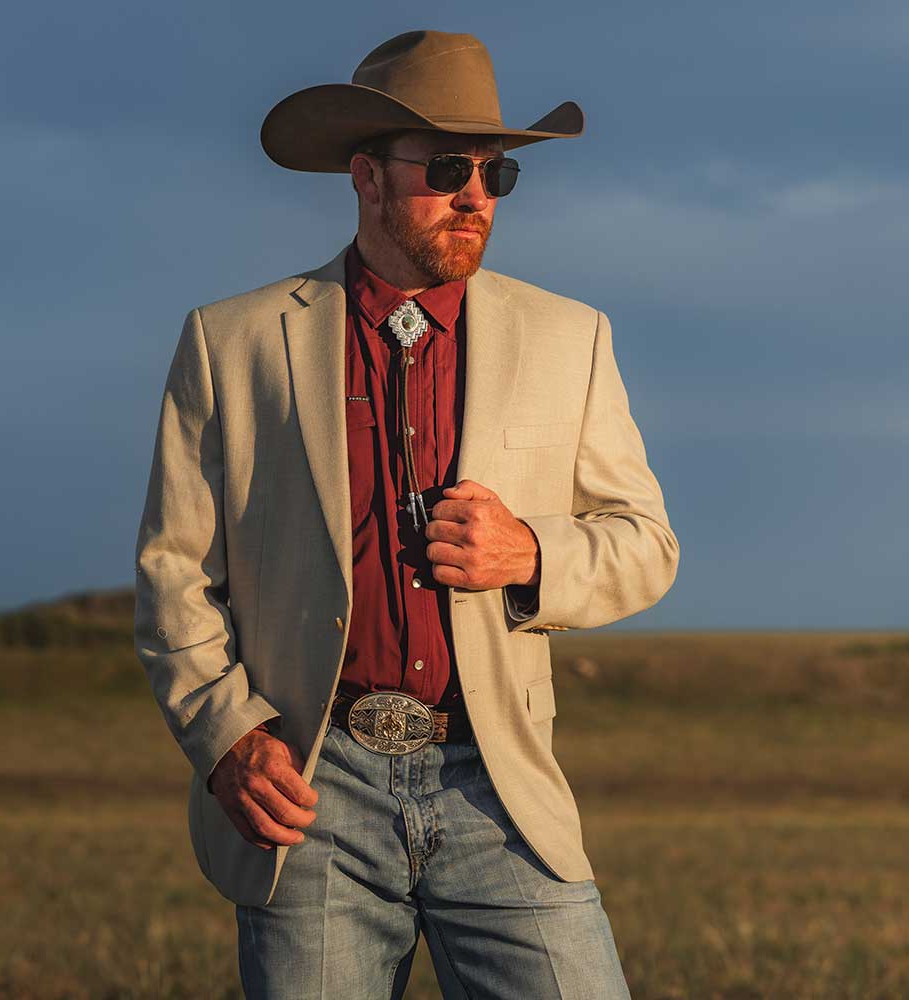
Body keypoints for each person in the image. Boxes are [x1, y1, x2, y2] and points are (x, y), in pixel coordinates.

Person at [134, 29, 679, 999]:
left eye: (496, 172)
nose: (475, 194)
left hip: (495, 781)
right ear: (366, 178)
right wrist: (224, 734)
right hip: (313, 788)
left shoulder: (570, 337)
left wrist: (531, 554)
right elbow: (175, 570)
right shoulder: (234, 343)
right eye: (447, 167)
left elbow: (646, 545)